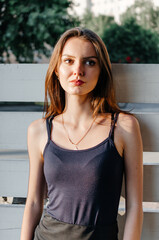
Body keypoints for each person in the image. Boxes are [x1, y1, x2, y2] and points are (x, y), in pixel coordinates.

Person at [21, 27, 143, 240]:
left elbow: (134, 206)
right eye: (68, 61)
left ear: (101, 71)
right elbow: (32, 202)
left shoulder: (123, 127)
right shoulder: (39, 130)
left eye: (90, 62)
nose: (78, 70)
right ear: (57, 69)